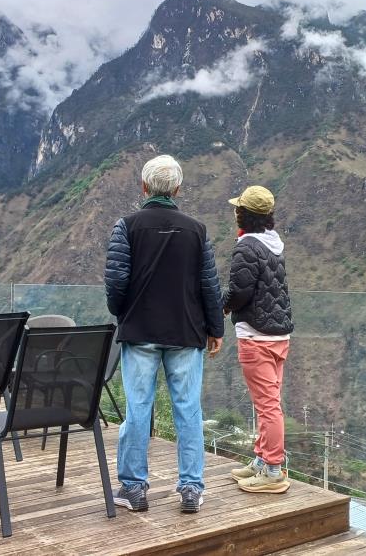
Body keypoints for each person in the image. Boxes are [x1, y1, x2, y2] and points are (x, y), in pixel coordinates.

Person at [104, 154, 224, 514]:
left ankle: (133, 488)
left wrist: (124, 313)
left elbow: (116, 283)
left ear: (144, 187)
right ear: (177, 189)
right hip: (186, 331)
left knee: (138, 409)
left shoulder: (127, 226)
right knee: (188, 410)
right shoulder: (196, 230)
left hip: (140, 331)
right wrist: (215, 328)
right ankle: (191, 488)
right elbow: (209, 285)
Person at [220, 185, 294, 493]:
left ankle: (273, 471)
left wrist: (221, 306)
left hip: (256, 335)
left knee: (267, 406)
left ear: (243, 214)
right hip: (279, 334)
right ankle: (262, 460)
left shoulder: (247, 247)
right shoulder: (274, 244)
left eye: (238, 209)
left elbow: (239, 292)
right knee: (269, 402)